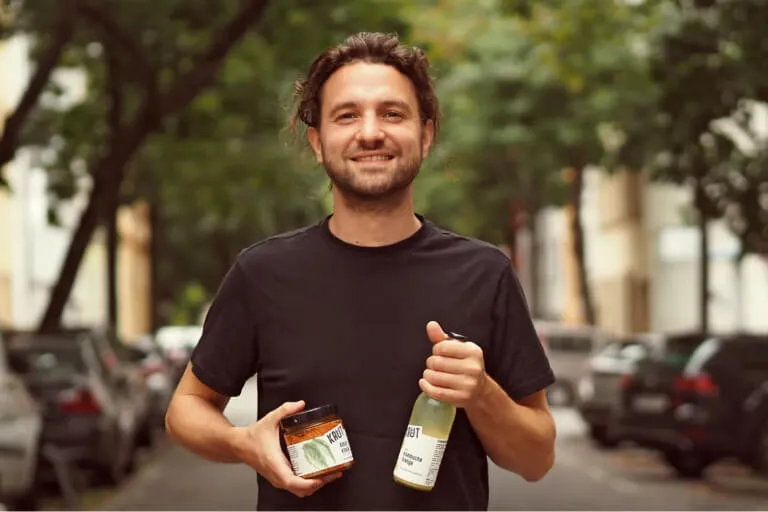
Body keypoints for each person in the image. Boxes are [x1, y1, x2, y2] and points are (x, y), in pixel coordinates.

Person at [165, 31, 557, 510]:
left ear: (426, 134)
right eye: (346, 115)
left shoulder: (485, 273)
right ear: (317, 142)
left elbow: (537, 458)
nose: (370, 132)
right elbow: (186, 409)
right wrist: (242, 443)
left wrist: (480, 393)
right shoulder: (263, 273)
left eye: (392, 114)